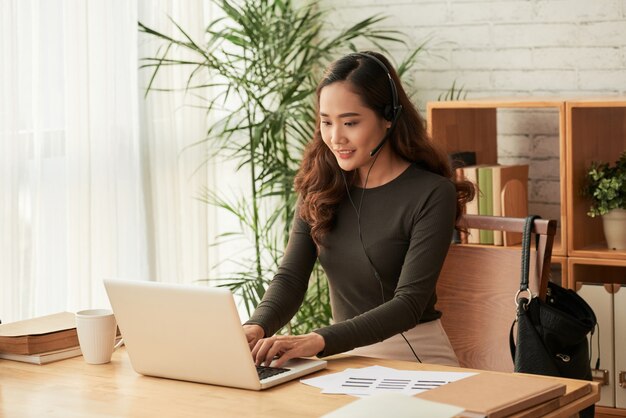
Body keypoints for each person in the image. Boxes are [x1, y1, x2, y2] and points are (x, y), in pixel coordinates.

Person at [243, 51, 474, 368]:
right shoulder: (319, 186)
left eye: (350, 122)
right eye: (326, 122)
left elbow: (408, 304)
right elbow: (291, 277)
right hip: (344, 355)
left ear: (388, 117)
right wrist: (256, 326)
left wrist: (319, 339)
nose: (336, 138)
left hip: (413, 356)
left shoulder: (432, 193)